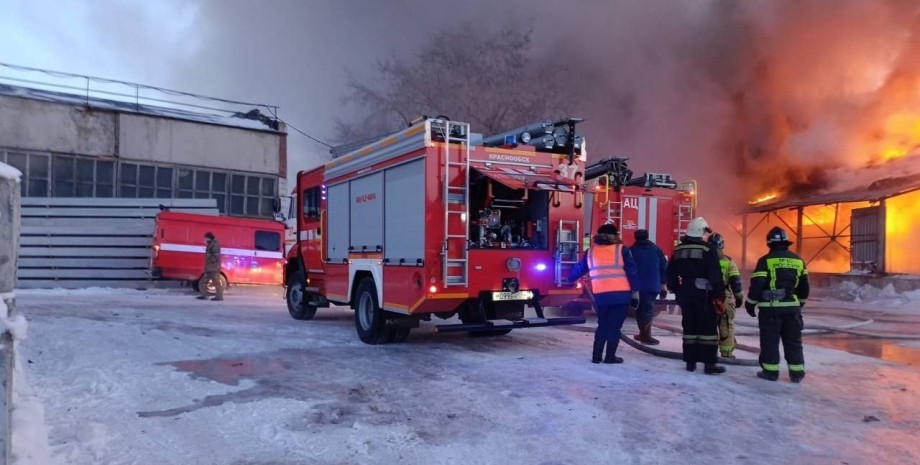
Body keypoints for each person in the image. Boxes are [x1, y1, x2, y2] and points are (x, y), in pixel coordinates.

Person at [569, 223, 640, 364]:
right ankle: (610, 356)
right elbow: (632, 272)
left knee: (602, 325)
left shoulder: (591, 252)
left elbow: (579, 269)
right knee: (614, 327)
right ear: (616, 235)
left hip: (601, 296)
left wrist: (569, 279)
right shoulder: (622, 250)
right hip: (621, 296)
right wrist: (635, 292)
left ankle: (596, 357)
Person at [745, 227, 809, 383]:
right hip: (792, 309)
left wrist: (750, 303)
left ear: (769, 243)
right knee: (793, 341)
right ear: (786, 242)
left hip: (771, 310)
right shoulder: (798, 260)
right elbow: (804, 287)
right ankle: (797, 373)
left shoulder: (765, 261)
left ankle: (770, 372)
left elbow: (757, 285)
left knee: (770, 341)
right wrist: (799, 304)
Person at [667, 217, 726, 374]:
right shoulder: (708, 249)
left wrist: (677, 291)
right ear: (701, 232)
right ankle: (709, 364)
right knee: (708, 330)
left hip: (686, 294)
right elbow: (715, 275)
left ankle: (690, 362)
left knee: (689, 327)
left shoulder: (678, 250)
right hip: (704, 295)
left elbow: (671, 274)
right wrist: (719, 295)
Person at [708, 232, 744, 358]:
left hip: (706, 296)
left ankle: (707, 353)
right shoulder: (728, 261)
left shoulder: (703, 261)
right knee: (726, 324)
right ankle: (727, 353)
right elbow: (735, 281)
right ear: (722, 246)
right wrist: (739, 297)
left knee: (708, 325)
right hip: (724, 297)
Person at [629, 229, 668, 345]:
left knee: (639, 311)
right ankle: (644, 334)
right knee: (647, 311)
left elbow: (628, 269)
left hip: (637, 287)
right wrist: (663, 285)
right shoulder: (656, 250)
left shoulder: (631, 250)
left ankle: (645, 336)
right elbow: (663, 267)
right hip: (652, 286)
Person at [197, 232, 224, 301]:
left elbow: (215, 256)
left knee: (216, 282)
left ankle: (219, 297)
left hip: (213, 268)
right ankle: (204, 295)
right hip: (209, 267)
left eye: (206, 238)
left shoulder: (214, 244)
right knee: (203, 282)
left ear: (209, 237)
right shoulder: (210, 244)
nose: (205, 239)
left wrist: (211, 262)